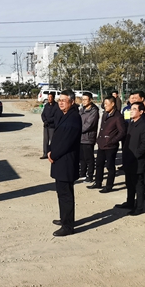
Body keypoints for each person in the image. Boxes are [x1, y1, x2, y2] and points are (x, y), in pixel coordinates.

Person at [48, 89, 82, 236]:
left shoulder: (74, 118)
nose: (60, 103)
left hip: (66, 161)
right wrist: (50, 150)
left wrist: (53, 154)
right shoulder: (64, 115)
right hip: (60, 160)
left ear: (72, 102)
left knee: (66, 195)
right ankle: (64, 219)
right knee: (61, 193)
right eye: (59, 100)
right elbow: (57, 136)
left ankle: (68, 226)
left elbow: (66, 142)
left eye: (64, 100)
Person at [115, 102, 145, 215]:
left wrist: (135, 155)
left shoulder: (144, 126)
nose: (131, 111)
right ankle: (129, 202)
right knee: (129, 183)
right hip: (128, 159)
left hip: (137, 161)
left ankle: (139, 207)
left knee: (138, 185)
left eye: (134, 109)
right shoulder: (131, 123)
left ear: (141, 112)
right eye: (131, 109)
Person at [88, 96, 126, 193]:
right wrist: (99, 139)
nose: (104, 106)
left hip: (110, 146)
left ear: (112, 104)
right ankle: (98, 182)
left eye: (106, 104)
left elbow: (122, 132)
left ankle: (109, 186)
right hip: (102, 144)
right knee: (99, 164)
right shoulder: (105, 114)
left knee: (110, 166)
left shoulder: (118, 117)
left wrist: (112, 141)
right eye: (104, 104)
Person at [78, 92, 99, 182]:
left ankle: (90, 175)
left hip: (88, 138)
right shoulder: (82, 109)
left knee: (89, 158)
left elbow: (89, 125)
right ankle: (82, 173)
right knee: (82, 157)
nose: (83, 101)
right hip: (80, 138)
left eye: (85, 100)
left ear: (90, 100)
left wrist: (78, 130)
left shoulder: (94, 111)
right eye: (82, 99)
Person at [40, 92, 61, 160]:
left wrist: (49, 121)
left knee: (52, 140)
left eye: (50, 97)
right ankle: (45, 153)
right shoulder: (46, 105)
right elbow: (43, 114)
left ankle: (53, 154)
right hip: (46, 126)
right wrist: (45, 121)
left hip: (52, 126)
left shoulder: (56, 106)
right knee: (45, 140)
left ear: (53, 98)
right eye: (48, 97)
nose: (49, 99)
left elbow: (56, 116)